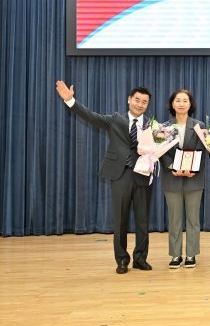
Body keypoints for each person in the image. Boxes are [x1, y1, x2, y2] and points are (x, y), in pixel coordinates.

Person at [55, 80, 154, 274]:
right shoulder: (116, 119)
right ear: (129, 100)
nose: (140, 104)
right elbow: (91, 117)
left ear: (148, 105)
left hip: (143, 175)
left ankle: (140, 259)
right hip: (121, 174)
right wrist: (70, 101)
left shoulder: (152, 125)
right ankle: (122, 260)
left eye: (144, 102)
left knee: (143, 220)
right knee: (120, 220)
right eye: (137, 100)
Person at [159, 89, 206, 269]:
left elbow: (203, 150)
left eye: (185, 100)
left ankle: (191, 254)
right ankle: (176, 255)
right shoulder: (164, 127)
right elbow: (160, 152)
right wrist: (172, 166)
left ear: (190, 104)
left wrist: (192, 168)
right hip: (171, 178)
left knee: (193, 219)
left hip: (194, 178)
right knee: (174, 219)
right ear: (172, 104)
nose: (181, 103)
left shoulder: (199, 126)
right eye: (177, 100)